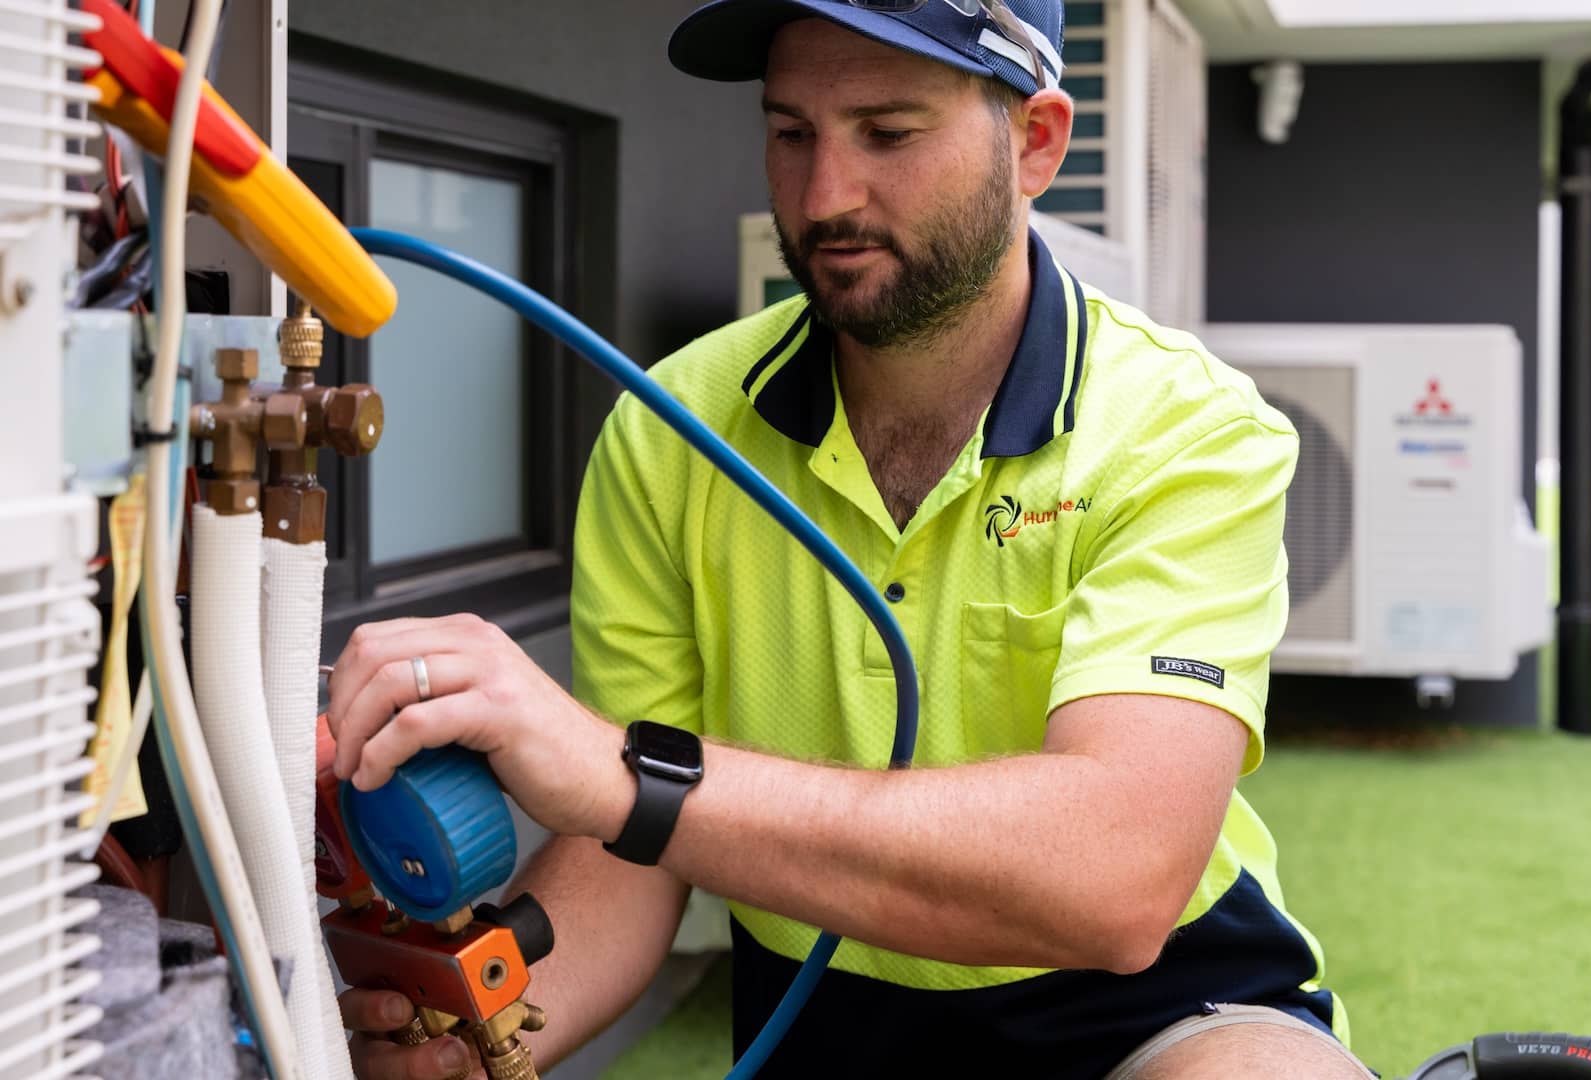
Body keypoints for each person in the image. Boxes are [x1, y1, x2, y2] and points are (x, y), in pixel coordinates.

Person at [327, 2, 1374, 1077]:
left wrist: (622, 773)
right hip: (822, 1004)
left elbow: (1115, 877)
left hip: (1155, 1004)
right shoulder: (669, 425)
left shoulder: (1187, 430)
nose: (826, 198)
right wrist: (475, 1034)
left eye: (888, 132)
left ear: (1037, 144)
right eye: (792, 134)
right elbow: (628, 849)